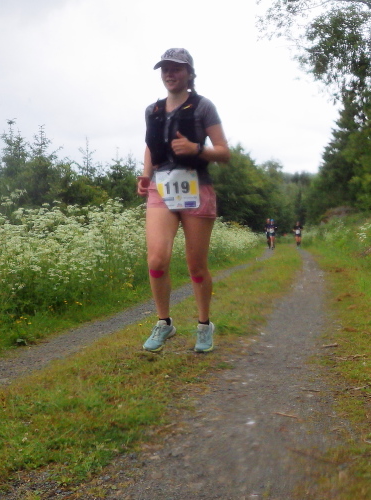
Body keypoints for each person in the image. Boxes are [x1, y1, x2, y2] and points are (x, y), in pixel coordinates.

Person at [136, 48, 230, 353]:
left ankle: (204, 325)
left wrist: (196, 149)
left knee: (196, 266)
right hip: (161, 189)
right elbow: (150, 145)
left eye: (176, 68)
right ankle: (164, 322)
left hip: (196, 188)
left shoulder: (203, 107)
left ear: (189, 73)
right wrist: (146, 174)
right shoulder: (152, 110)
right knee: (156, 259)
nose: (170, 74)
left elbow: (224, 152)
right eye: (165, 69)